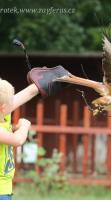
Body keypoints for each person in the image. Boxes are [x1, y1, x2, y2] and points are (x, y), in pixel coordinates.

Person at [0, 65, 68, 200]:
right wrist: (24, 125)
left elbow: (26, 94)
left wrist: (46, 81)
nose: (13, 104)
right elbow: (17, 140)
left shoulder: (3, 115)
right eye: (10, 102)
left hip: (4, 188)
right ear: (3, 108)